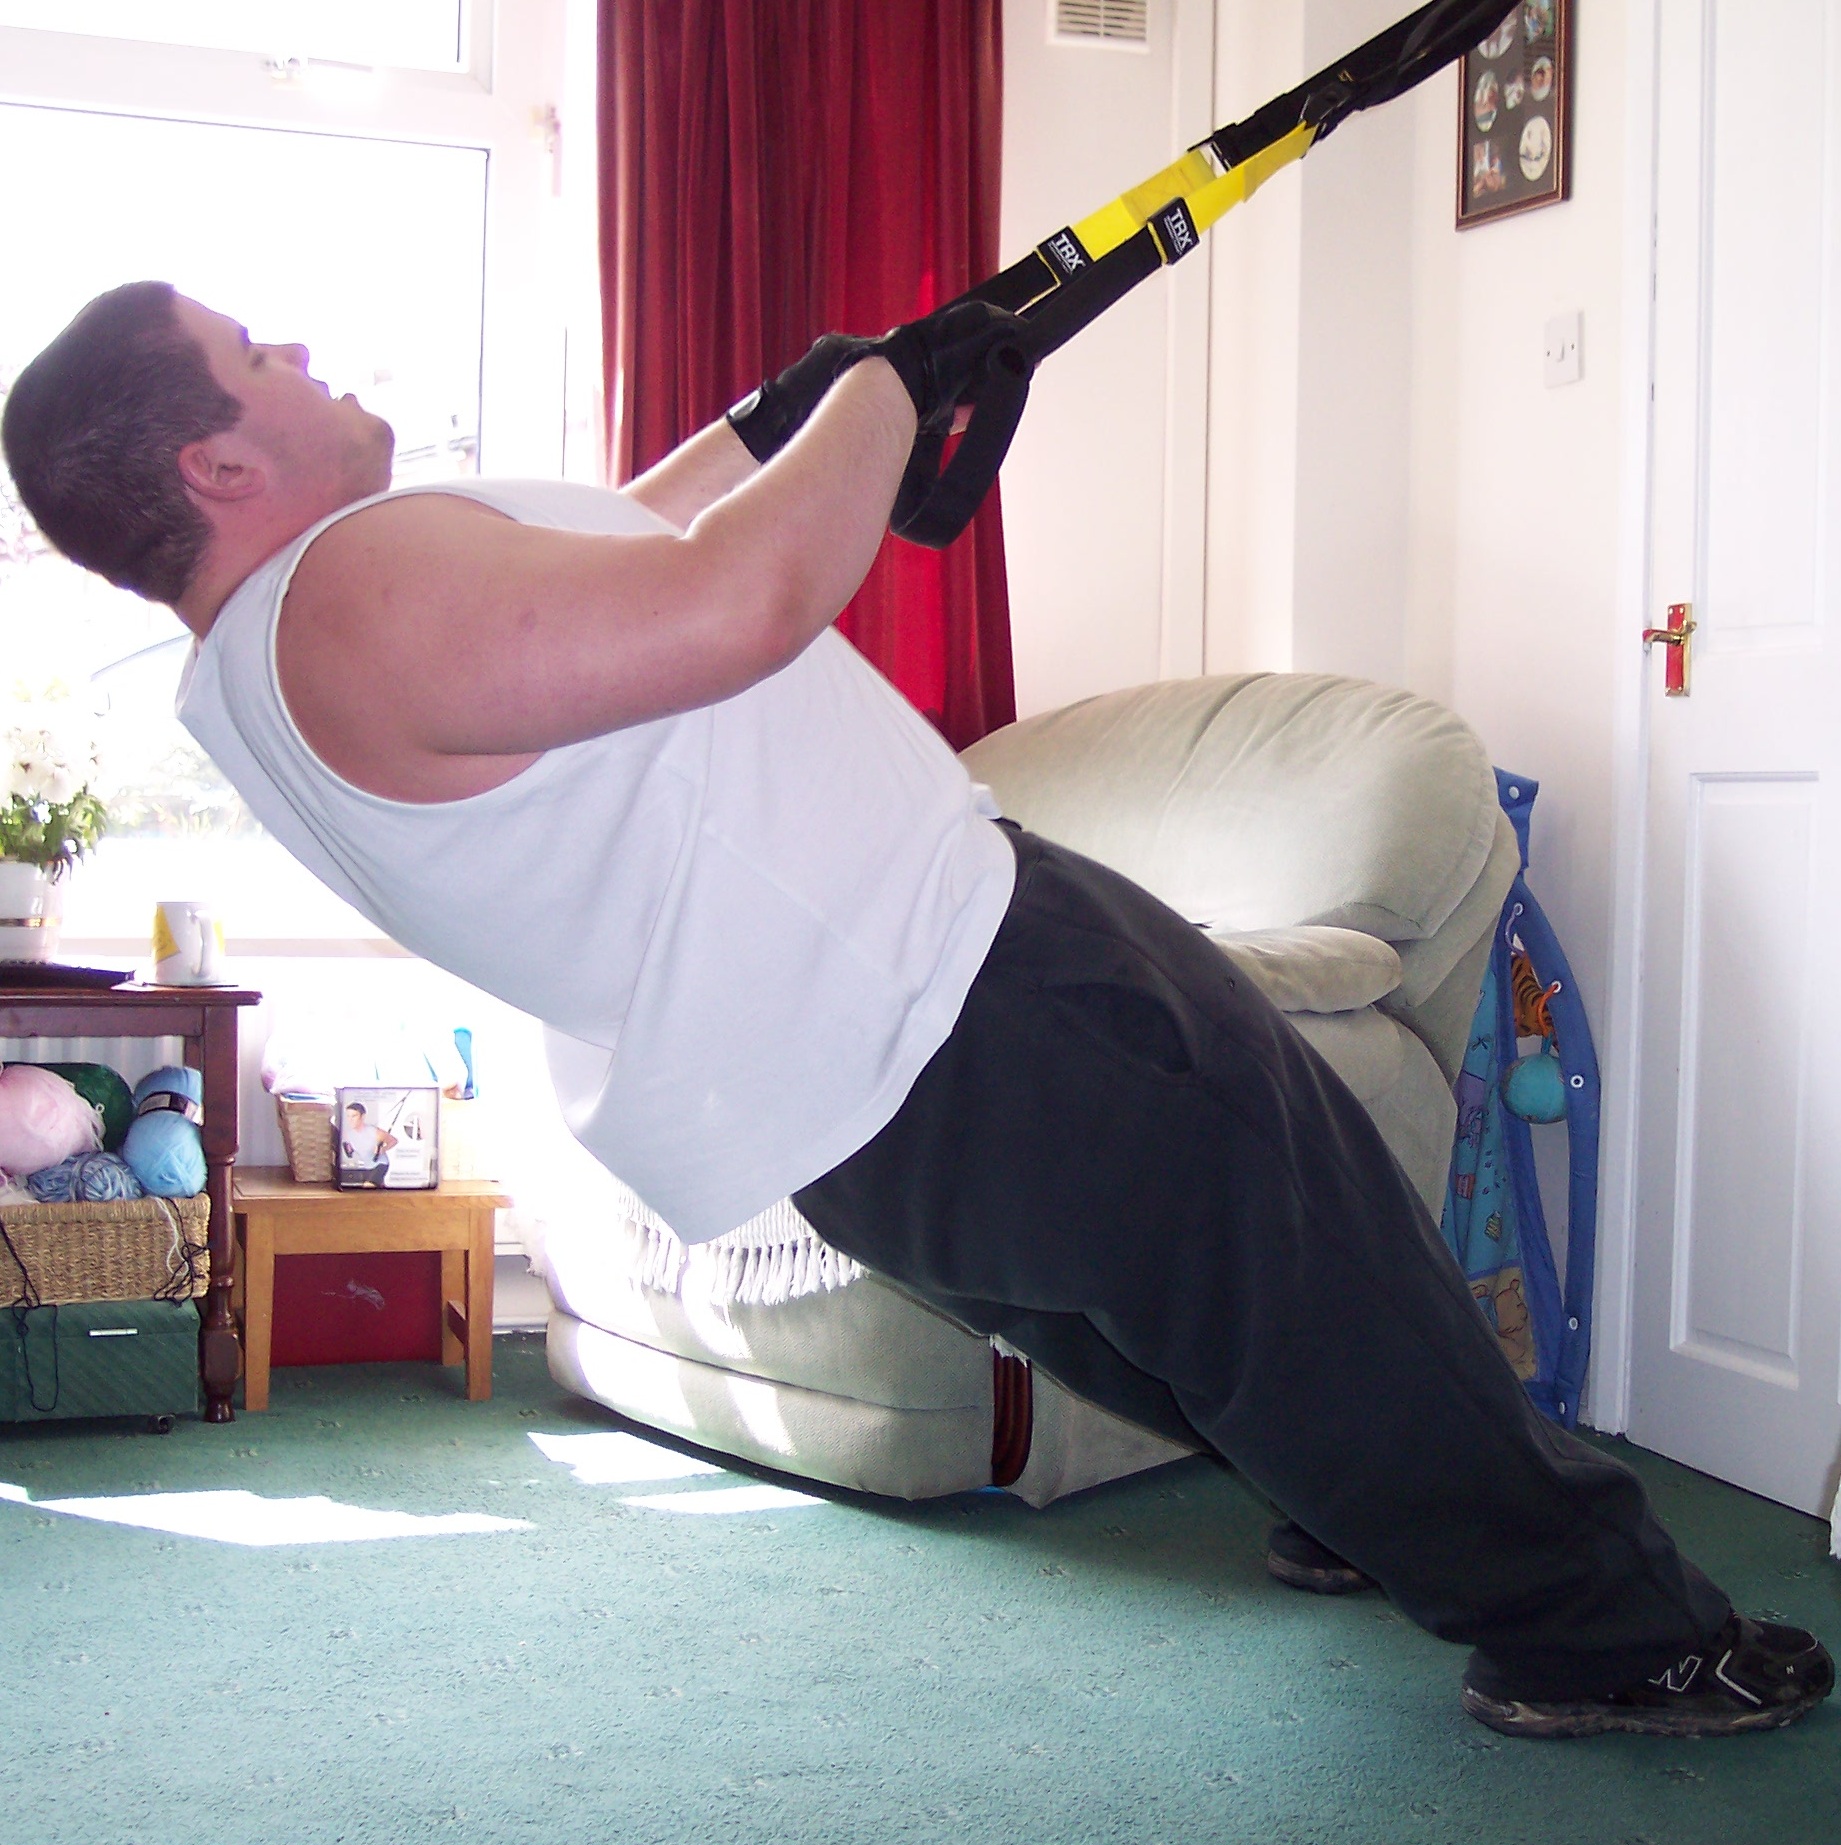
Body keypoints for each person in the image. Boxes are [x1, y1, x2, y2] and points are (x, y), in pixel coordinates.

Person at [3, 281, 1832, 1741]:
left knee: (1197, 1323)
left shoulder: (267, 662)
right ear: (216, 466)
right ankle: (1609, 1639)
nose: (299, 349)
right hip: (956, 994)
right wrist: (885, 390)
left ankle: (1373, 1512)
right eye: (253, 353)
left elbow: (634, 548)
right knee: (1317, 1267)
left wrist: (785, 415)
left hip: (868, 1084)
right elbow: (736, 599)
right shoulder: (348, 591)